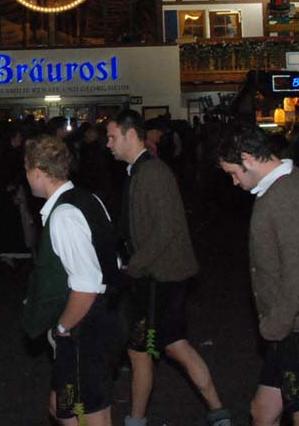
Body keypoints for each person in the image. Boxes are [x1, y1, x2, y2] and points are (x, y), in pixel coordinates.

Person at [107, 109, 232, 426]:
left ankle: (138, 418)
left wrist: (134, 266)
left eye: (112, 137)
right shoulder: (140, 171)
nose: (108, 144)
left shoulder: (152, 173)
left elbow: (165, 229)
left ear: (131, 134)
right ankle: (216, 411)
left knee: (145, 350)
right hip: (159, 277)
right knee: (171, 345)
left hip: (157, 279)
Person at [216, 125, 299, 426]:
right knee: (263, 412)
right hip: (290, 327)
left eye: (233, 172)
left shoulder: (286, 194)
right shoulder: (280, 187)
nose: (233, 182)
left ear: (248, 158)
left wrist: (274, 325)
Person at [21, 135, 119, 426]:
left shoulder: (63, 214)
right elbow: (112, 259)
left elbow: (86, 286)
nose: (26, 177)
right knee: (69, 407)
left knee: (82, 412)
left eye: (26, 170)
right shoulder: (90, 199)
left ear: (38, 171)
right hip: (103, 318)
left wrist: (62, 327)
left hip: (85, 328)